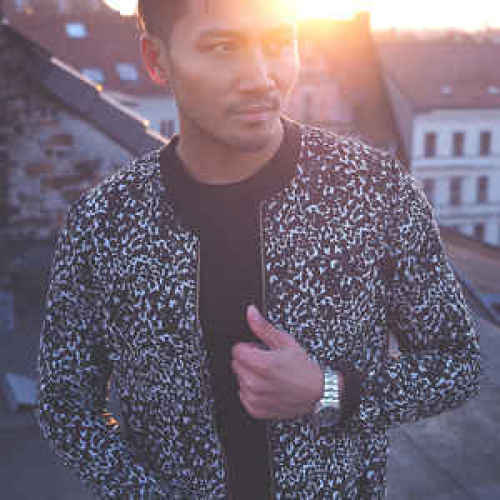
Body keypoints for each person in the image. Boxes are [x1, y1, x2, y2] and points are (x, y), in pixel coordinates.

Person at [38, 0, 481, 498]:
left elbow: (457, 363)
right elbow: (66, 406)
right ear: (156, 59)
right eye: (222, 47)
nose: (260, 78)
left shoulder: (372, 189)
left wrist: (327, 390)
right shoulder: (105, 221)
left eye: (278, 43)